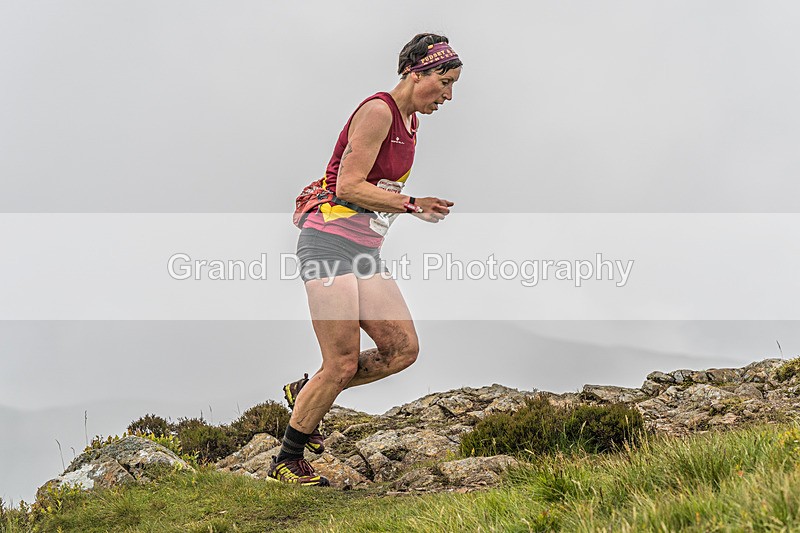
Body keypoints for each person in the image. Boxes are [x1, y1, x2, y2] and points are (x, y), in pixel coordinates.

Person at [268, 33, 463, 486]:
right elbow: (347, 188)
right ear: (418, 73)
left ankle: (305, 393)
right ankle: (287, 459)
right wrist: (413, 205)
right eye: (446, 82)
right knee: (340, 363)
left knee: (402, 350)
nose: (449, 96)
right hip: (328, 243)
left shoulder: (413, 122)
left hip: (364, 250)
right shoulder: (378, 111)